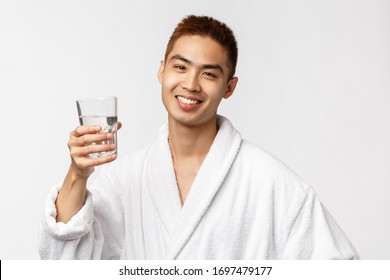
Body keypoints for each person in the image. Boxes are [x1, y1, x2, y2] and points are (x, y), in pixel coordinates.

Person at [39, 15, 359, 259]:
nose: (191, 84)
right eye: (181, 67)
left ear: (229, 87)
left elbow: (338, 266)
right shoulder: (124, 179)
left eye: (208, 73)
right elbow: (63, 261)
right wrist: (78, 174)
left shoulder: (270, 181)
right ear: (162, 71)